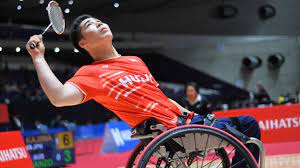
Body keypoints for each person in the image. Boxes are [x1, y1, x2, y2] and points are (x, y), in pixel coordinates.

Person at [26, 14, 260, 166]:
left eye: (99, 21)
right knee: (249, 124)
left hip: (187, 123)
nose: (99, 23)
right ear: (83, 44)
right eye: (90, 26)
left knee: (245, 122)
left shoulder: (136, 61)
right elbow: (58, 98)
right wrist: (38, 58)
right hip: (173, 132)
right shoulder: (91, 73)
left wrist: (192, 117)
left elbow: (161, 97)